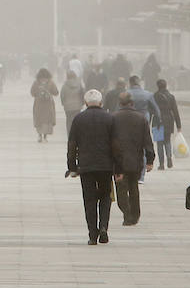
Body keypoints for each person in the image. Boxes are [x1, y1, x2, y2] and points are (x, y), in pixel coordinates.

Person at [67, 89, 116, 244]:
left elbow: (72, 145)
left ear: (86, 102)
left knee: (89, 200)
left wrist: (72, 167)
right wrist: (118, 168)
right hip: (106, 166)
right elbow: (116, 145)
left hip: (86, 166)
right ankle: (103, 227)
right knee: (105, 197)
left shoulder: (78, 119)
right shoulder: (110, 118)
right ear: (101, 103)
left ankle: (92, 235)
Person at [112, 92, 155, 226]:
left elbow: (110, 141)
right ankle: (134, 215)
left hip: (118, 161)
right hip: (136, 160)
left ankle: (127, 213)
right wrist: (150, 159)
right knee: (133, 187)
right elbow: (148, 141)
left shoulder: (113, 118)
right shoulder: (141, 118)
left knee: (121, 189)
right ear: (132, 103)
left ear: (120, 103)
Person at [153, 79, 181, 170]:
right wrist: (178, 125)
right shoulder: (171, 96)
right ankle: (169, 158)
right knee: (167, 141)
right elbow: (175, 111)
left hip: (157, 121)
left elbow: (151, 110)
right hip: (169, 120)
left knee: (159, 143)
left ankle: (161, 164)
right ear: (166, 86)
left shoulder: (154, 96)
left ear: (158, 86)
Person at [30, 68, 59, 142]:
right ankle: (45, 137)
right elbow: (56, 92)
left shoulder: (36, 82)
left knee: (39, 119)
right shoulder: (51, 82)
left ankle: (39, 136)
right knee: (47, 120)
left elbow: (32, 93)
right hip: (48, 104)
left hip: (38, 103)